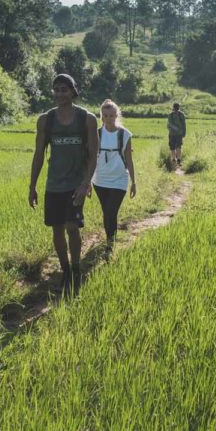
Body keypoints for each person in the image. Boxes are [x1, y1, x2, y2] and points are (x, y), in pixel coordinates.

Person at [29, 74, 98, 292]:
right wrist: (32, 186)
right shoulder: (45, 120)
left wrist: (86, 183)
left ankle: (76, 268)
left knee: (72, 227)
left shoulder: (87, 119)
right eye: (56, 89)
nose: (60, 94)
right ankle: (65, 270)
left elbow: (93, 155)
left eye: (64, 89)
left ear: (73, 91)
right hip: (53, 185)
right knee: (56, 230)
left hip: (75, 183)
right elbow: (39, 154)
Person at [92, 99, 136, 256]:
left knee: (111, 211)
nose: (109, 118)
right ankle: (109, 239)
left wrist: (134, 182)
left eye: (112, 115)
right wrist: (87, 182)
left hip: (119, 180)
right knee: (106, 212)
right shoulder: (96, 134)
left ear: (117, 115)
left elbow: (129, 160)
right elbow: (90, 159)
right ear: (101, 116)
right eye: (106, 115)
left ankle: (110, 246)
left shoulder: (125, 134)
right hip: (99, 180)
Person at [167, 102, 186, 166]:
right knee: (177, 147)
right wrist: (184, 133)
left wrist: (175, 129)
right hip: (178, 134)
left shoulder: (171, 115)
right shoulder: (181, 114)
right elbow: (184, 125)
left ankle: (175, 160)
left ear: (173, 107)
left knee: (173, 147)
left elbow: (169, 124)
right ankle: (177, 160)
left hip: (173, 134)